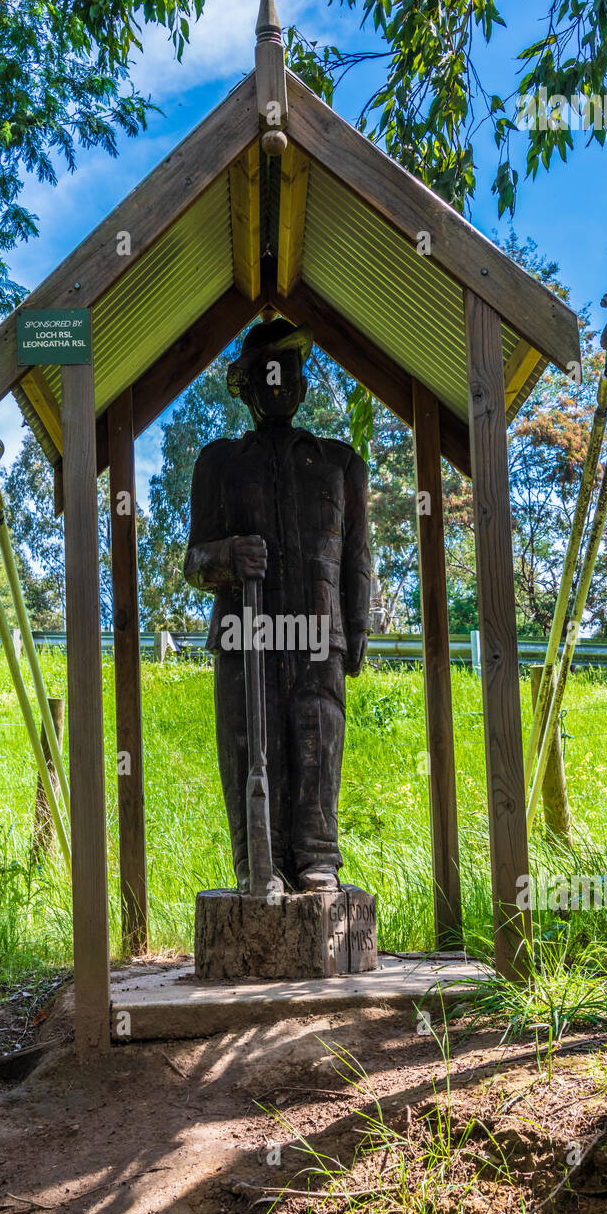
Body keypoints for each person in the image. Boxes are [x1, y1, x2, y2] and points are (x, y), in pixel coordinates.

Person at [184, 317, 370, 893]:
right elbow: (193, 562)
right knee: (248, 744)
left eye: (286, 374)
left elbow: (357, 553)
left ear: (303, 384)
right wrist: (226, 555)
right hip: (246, 637)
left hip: (318, 636)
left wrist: (356, 631)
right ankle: (256, 864)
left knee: (317, 741)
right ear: (246, 387)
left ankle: (317, 857)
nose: (276, 387)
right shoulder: (218, 465)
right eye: (264, 376)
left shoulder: (342, 464)